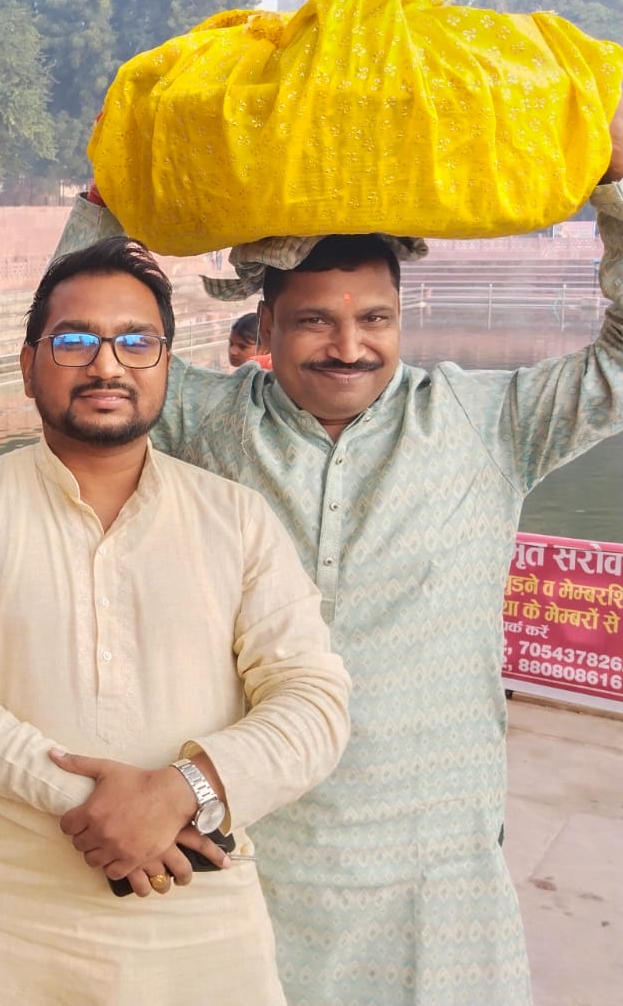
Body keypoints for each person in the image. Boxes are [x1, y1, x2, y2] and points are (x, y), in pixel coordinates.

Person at [52, 164, 623, 1002]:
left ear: (403, 319)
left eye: (374, 319)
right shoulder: (211, 422)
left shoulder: (488, 423)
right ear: (267, 328)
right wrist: (108, 199)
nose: (348, 346)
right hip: (250, 839)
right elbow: (76, 345)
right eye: (314, 321)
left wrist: (615, 183)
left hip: (438, 863)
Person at [0, 239, 351, 1004]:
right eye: (75, 341)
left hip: (200, 920)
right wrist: (102, 807)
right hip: (4, 923)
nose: (107, 364)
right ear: (28, 364)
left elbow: (315, 701)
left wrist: (182, 790)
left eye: (137, 341)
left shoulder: (234, 518)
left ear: (167, 363)